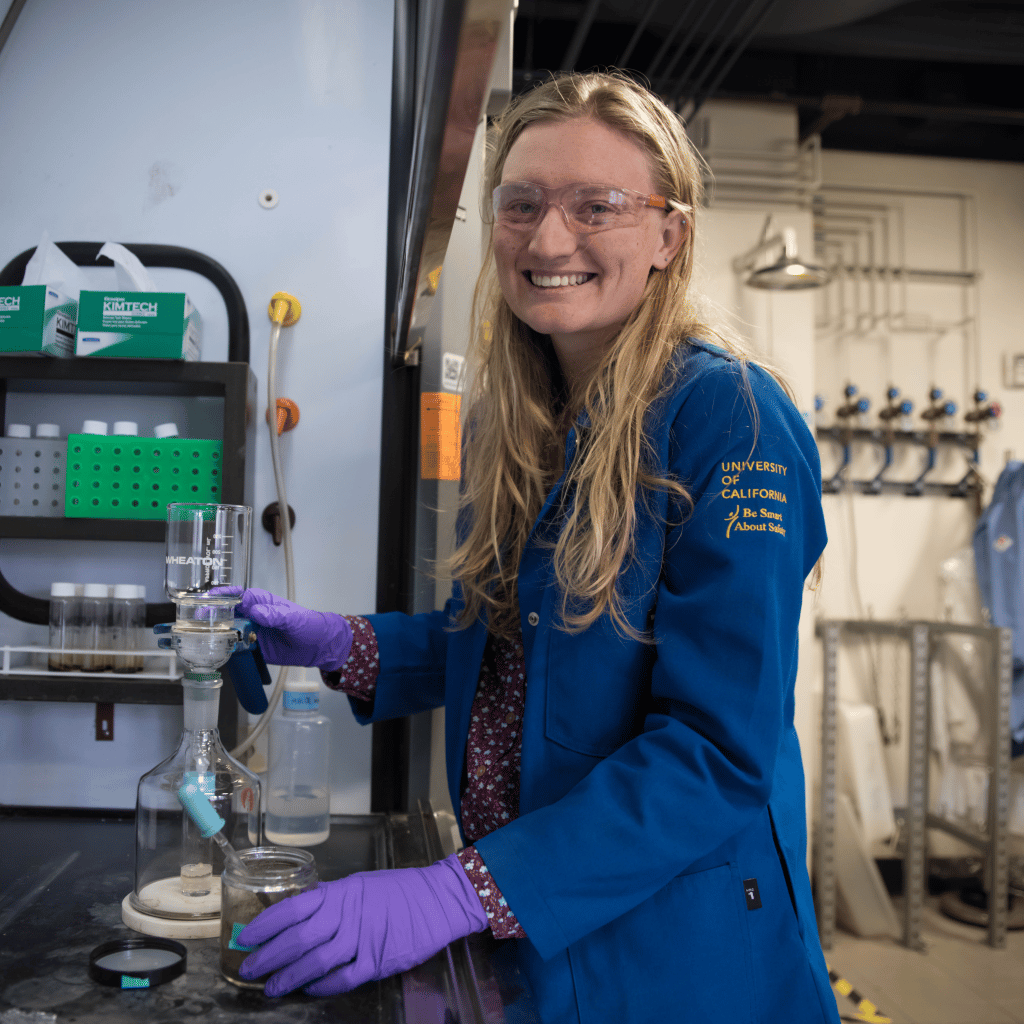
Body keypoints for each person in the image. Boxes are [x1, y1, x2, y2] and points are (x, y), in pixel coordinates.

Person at [231, 71, 837, 1024]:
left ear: (668, 234)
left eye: (597, 205)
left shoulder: (732, 415)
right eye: (522, 205)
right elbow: (525, 649)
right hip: (537, 931)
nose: (549, 240)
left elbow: (719, 749)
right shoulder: (527, 418)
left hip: (680, 949)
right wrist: (342, 643)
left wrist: (454, 893)